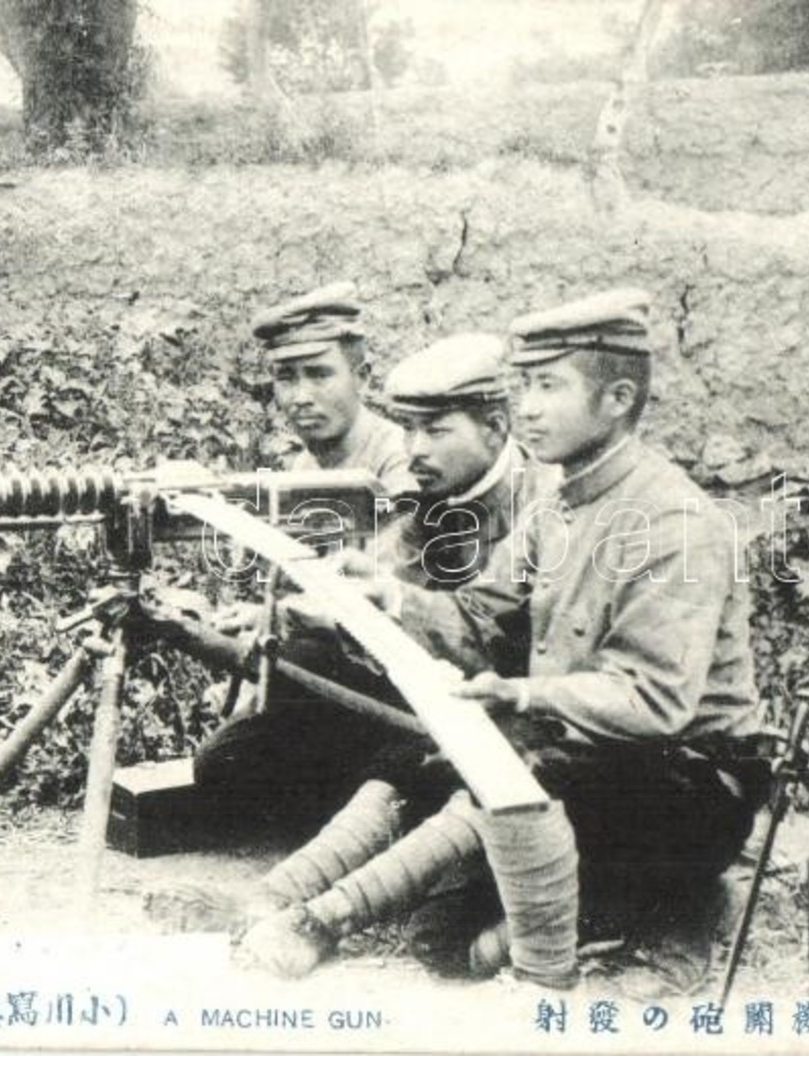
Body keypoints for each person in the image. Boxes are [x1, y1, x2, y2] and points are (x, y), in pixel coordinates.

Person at [236, 288, 771, 991]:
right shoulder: (560, 502)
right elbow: (482, 618)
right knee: (440, 931)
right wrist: (390, 595)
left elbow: (655, 700)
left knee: (517, 769)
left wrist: (517, 692)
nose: (527, 407)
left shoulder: (671, 521)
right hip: (592, 760)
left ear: (615, 399)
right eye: (521, 386)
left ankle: (319, 920)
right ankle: (280, 893)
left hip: (689, 784)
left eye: (547, 386)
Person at [145, 332, 551, 934]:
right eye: (410, 430)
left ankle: (301, 903)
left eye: (436, 431)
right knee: (243, 761)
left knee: (419, 764)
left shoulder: (542, 505)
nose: (415, 449)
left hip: (528, 711)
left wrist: (389, 606)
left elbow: (503, 628)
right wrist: (321, 603)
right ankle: (278, 898)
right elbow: (391, 571)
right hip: (448, 692)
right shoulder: (442, 494)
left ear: (495, 427)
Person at [256, 280, 415, 494]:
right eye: (286, 378)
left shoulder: (400, 461)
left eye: (319, 375)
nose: (301, 397)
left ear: (361, 378)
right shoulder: (305, 466)